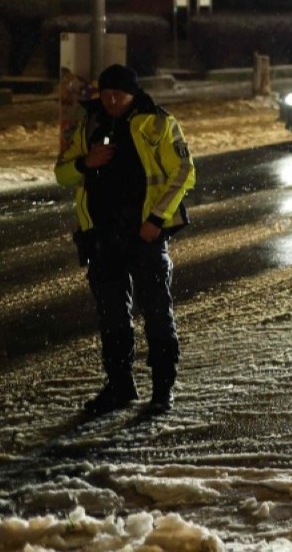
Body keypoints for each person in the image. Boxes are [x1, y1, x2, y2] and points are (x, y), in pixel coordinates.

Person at [55, 64, 195, 415]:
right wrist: (86, 162)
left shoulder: (158, 122)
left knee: (156, 311)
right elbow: (61, 173)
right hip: (101, 237)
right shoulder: (88, 124)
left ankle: (162, 389)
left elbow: (183, 173)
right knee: (112, 315)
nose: (112, 100)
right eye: (106, 94)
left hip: (144, 235)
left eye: (119, 94)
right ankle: (120, 385)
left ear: (134, 93)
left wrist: (156, 220)